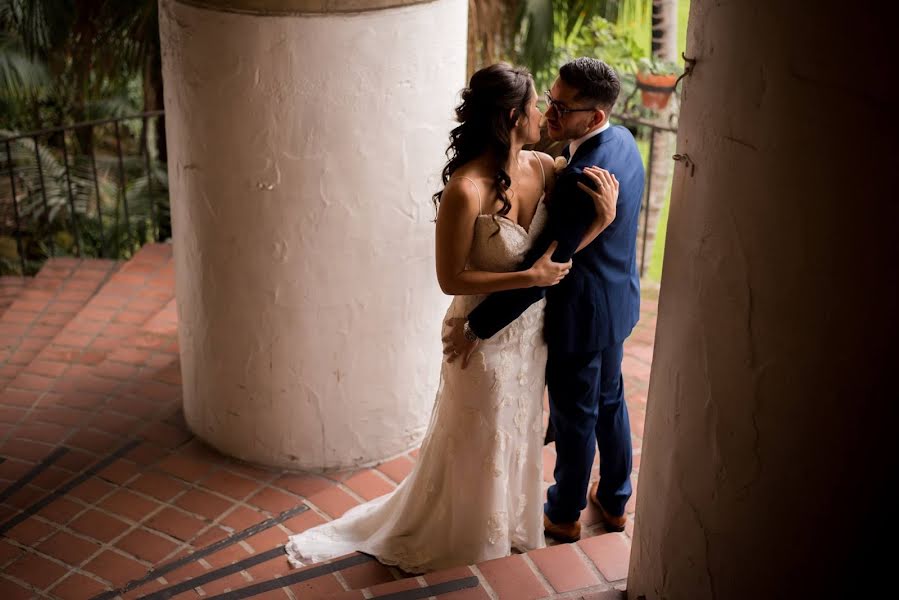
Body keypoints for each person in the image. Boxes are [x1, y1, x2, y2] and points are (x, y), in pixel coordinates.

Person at [284, 62, 618, 573]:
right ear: (512, 116)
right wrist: (527, 280)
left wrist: (603, 220)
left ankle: (506, 524)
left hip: (528, 337)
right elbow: (452, 278)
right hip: (479, 338)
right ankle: (464, 535)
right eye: (533, 106)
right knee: (478, 438)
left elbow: (557, 252)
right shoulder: (466, 189)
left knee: (518, 429)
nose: (541, 114)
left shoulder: (545, 167)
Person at [443, 57, 645, 543]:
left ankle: (565, 512)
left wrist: (475, 328)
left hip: (581, 315)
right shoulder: (622, 142)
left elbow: (542, 273)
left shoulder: (582, 180)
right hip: (617, 304)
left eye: (560, 106)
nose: (549, 113)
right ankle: (616, 500)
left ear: (594, 117)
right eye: (547, 101)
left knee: (577, 415)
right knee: (611, 399)